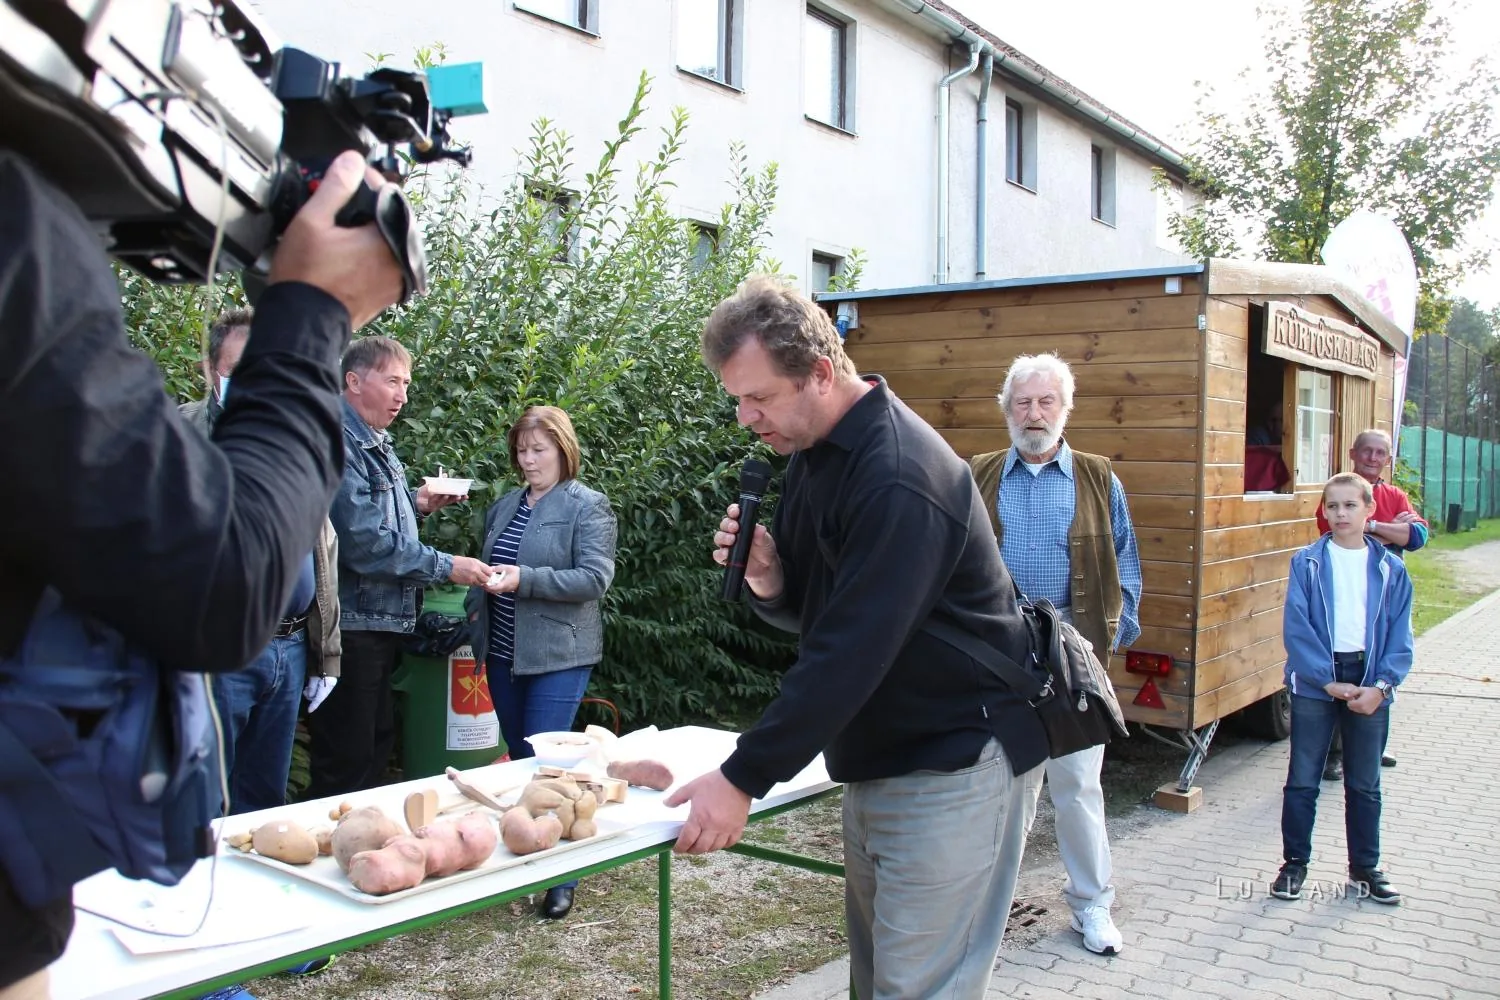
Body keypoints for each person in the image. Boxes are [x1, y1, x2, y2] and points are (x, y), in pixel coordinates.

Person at [0, 147, 403, 1000]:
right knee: (221, 813)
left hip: (294, 650)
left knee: (257, 797)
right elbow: (219, 575)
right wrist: (314, 313)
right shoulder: (15, 233)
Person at [670, 275, 1049, 1000]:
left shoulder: (898, 473)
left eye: (759, 397)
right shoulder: (817, 453)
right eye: (738, 400)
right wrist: (774, 581)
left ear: (820, 371)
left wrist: (743, 775)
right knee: (879, 987)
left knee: (920, 991)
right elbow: (829, 619)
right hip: (883, 760)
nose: (747, 418)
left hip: (959, 762)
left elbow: (849, 654)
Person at [968, 352, 1141, 957]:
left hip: (1071, 664)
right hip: (998, 661)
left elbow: (1126, 565)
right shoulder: (978, 474)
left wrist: (1114, 634)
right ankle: (983, 915)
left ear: (1066, 410)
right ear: (1006, 409)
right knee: (998, 796)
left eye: (1046, 402)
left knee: (1078, 789)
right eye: (1023, 401)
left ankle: (1093, 907)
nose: (1034, 413)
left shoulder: (1098, 477)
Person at [310, 336, 500, 799]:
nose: (403, 395)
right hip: (351, 626)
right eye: (393, 381)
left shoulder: (373, 438)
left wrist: (419, 502)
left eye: (407, 383)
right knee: (348, 759)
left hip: (380, 624)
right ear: (354, 381)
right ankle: (337, 851)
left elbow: (371, 519)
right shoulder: (337, 442)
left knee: (374, 745)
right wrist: (446, 566)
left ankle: (365, 849)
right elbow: (362, 543)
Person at [180, 309, 342, 819]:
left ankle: (251, 898)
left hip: (288, 647)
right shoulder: (179, 437)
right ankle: (197, 897)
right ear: (211, 369)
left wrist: (327, 653)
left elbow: (323, 547)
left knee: (262, 803)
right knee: (203, 797)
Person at [465, 406, 617, 920]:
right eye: (522, 451)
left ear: (563, 450)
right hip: (503, 654)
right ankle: (530, 852)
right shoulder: (506, 505)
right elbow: (491, 568)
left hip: (558, 655)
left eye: (539, 450)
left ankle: (562, 877)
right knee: (518, 756)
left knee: (546, 765)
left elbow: (594, 579)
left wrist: (523, 578)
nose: (529, 460)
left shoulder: (587, 506)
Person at [1272, 472, 1413, 906]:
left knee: (1365, 783)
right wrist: (1325, 680)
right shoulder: (1308, 562)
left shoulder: (1390, 569)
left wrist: (1382, 687)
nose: (1341, 513)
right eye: (1332, 506)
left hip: (1369, 678)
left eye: (1351, 505)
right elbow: (1298, 627)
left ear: (1370, 511)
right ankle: (1293, 865)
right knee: (1303, 778)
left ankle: (1365, 869)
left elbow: (1399, 636)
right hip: (1318, 680)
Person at [1315, 428, 1426, 778]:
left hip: (1386, 600)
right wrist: (1390, 528)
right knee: (1342, 671)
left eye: (1381, 453)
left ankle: (1373, 747)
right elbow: (1335, 529)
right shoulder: (1338, 489)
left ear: (1388, 458)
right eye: (1367, 452)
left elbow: (1417, 537)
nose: (1373, 458)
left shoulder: (1395, 494)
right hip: (1345, 597)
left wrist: (1374, 524)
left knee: (1382, 671)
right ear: (1353, 452)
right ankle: (1334, 754)